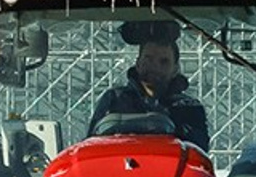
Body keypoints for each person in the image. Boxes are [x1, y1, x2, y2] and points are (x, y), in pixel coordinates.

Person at [87, 16, 212, 150]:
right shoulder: (115, 99)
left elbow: (199, 149)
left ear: (175, 69)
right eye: (148, 58)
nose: (155, 67)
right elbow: (92, 143)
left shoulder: (189, 107)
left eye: (164, 61)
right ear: (138, 63)